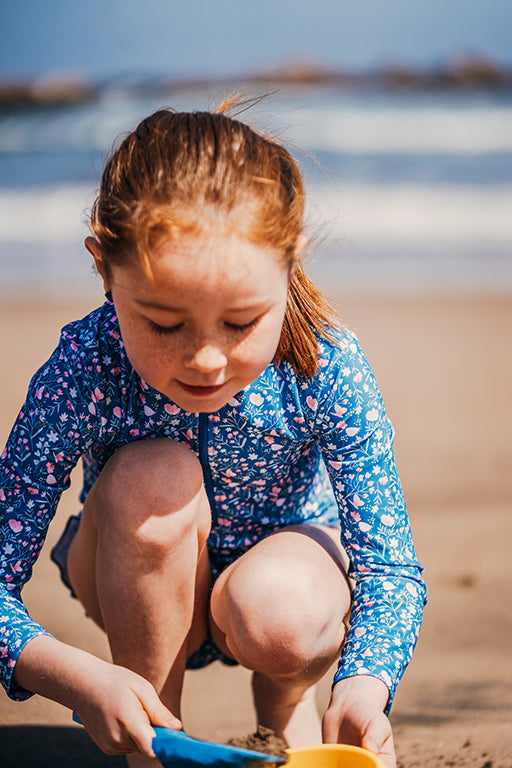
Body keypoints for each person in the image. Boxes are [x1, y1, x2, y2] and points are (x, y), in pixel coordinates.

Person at [0, 99, 426, 768]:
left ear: (291, 264)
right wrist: (73, 677)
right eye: (164, 324)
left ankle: (285, 705)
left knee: (280, 613)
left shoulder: (325, 362)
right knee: (153, 476)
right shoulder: (85, 366)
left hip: (282, 583)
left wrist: (366, 684)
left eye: (240, 322)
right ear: (103, 269)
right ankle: (151, 734)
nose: (204, 358)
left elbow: (388, 567)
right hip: (127, 572)